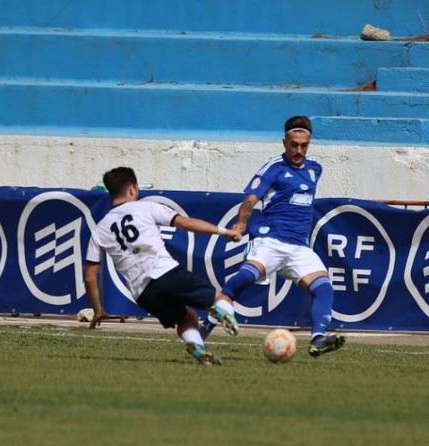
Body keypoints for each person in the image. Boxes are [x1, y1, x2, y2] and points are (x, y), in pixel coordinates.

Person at [199, 116, 345, 357]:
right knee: (243, 280)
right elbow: (250, 199)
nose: (299, 150)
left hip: (299, 246)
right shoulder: (274, 168)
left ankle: (318, 338)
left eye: (304, 145)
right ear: (284, 142)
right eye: (294, 144)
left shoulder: (314, 169)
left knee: (324, 288)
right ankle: (204, 328)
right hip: (271, 240)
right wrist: (242, 222)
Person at [84, 167, 241, 365]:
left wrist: (98, 310)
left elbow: (90, 276)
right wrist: (224, 231)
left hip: (142, 292)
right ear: (133, 189)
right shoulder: (146, 207)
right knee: (219, 297)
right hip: (165, 272)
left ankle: (198, 347)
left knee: (186, 319)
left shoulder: (100, 228)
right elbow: (186, 223)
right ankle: (219, 311)